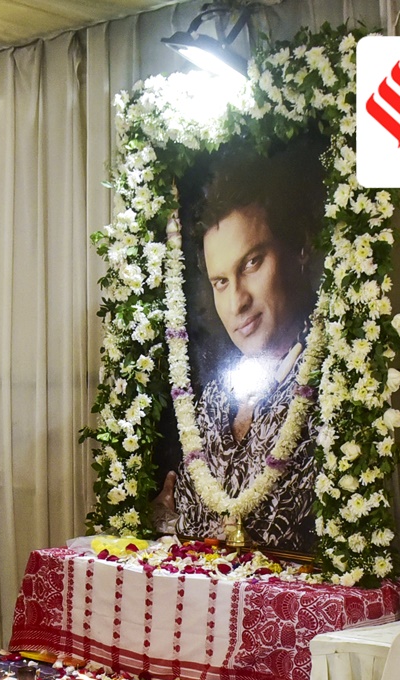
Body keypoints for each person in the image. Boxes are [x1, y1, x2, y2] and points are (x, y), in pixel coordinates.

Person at [169, 141, 327, 549]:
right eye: (221, 281)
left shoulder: (333, 385)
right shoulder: (216, 398)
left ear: (301, 248)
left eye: (252, 263)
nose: (237, 301)